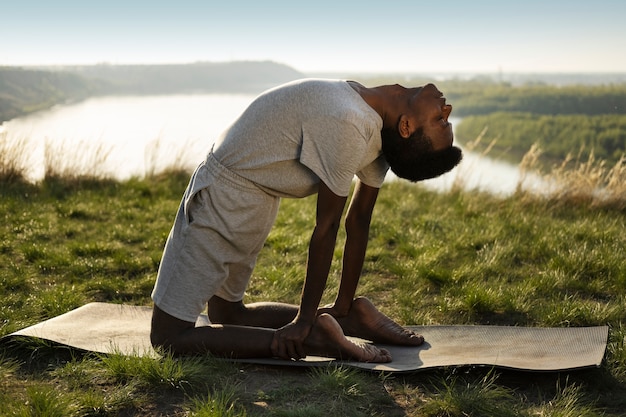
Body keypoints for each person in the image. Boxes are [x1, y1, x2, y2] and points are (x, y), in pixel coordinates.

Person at [150, 78, 462, 363]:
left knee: (168, 337)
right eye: (444, 118)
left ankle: (315, 339)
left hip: (227, 198)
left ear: (406, 127)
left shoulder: (352, 123)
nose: (446, 109)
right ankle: (349, 321)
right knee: (228, 312)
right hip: (251, 199)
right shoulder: (377, 125)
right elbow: (358, 222)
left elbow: (329, 228)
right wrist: (342, 307)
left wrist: (303, 322)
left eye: (440, 120)